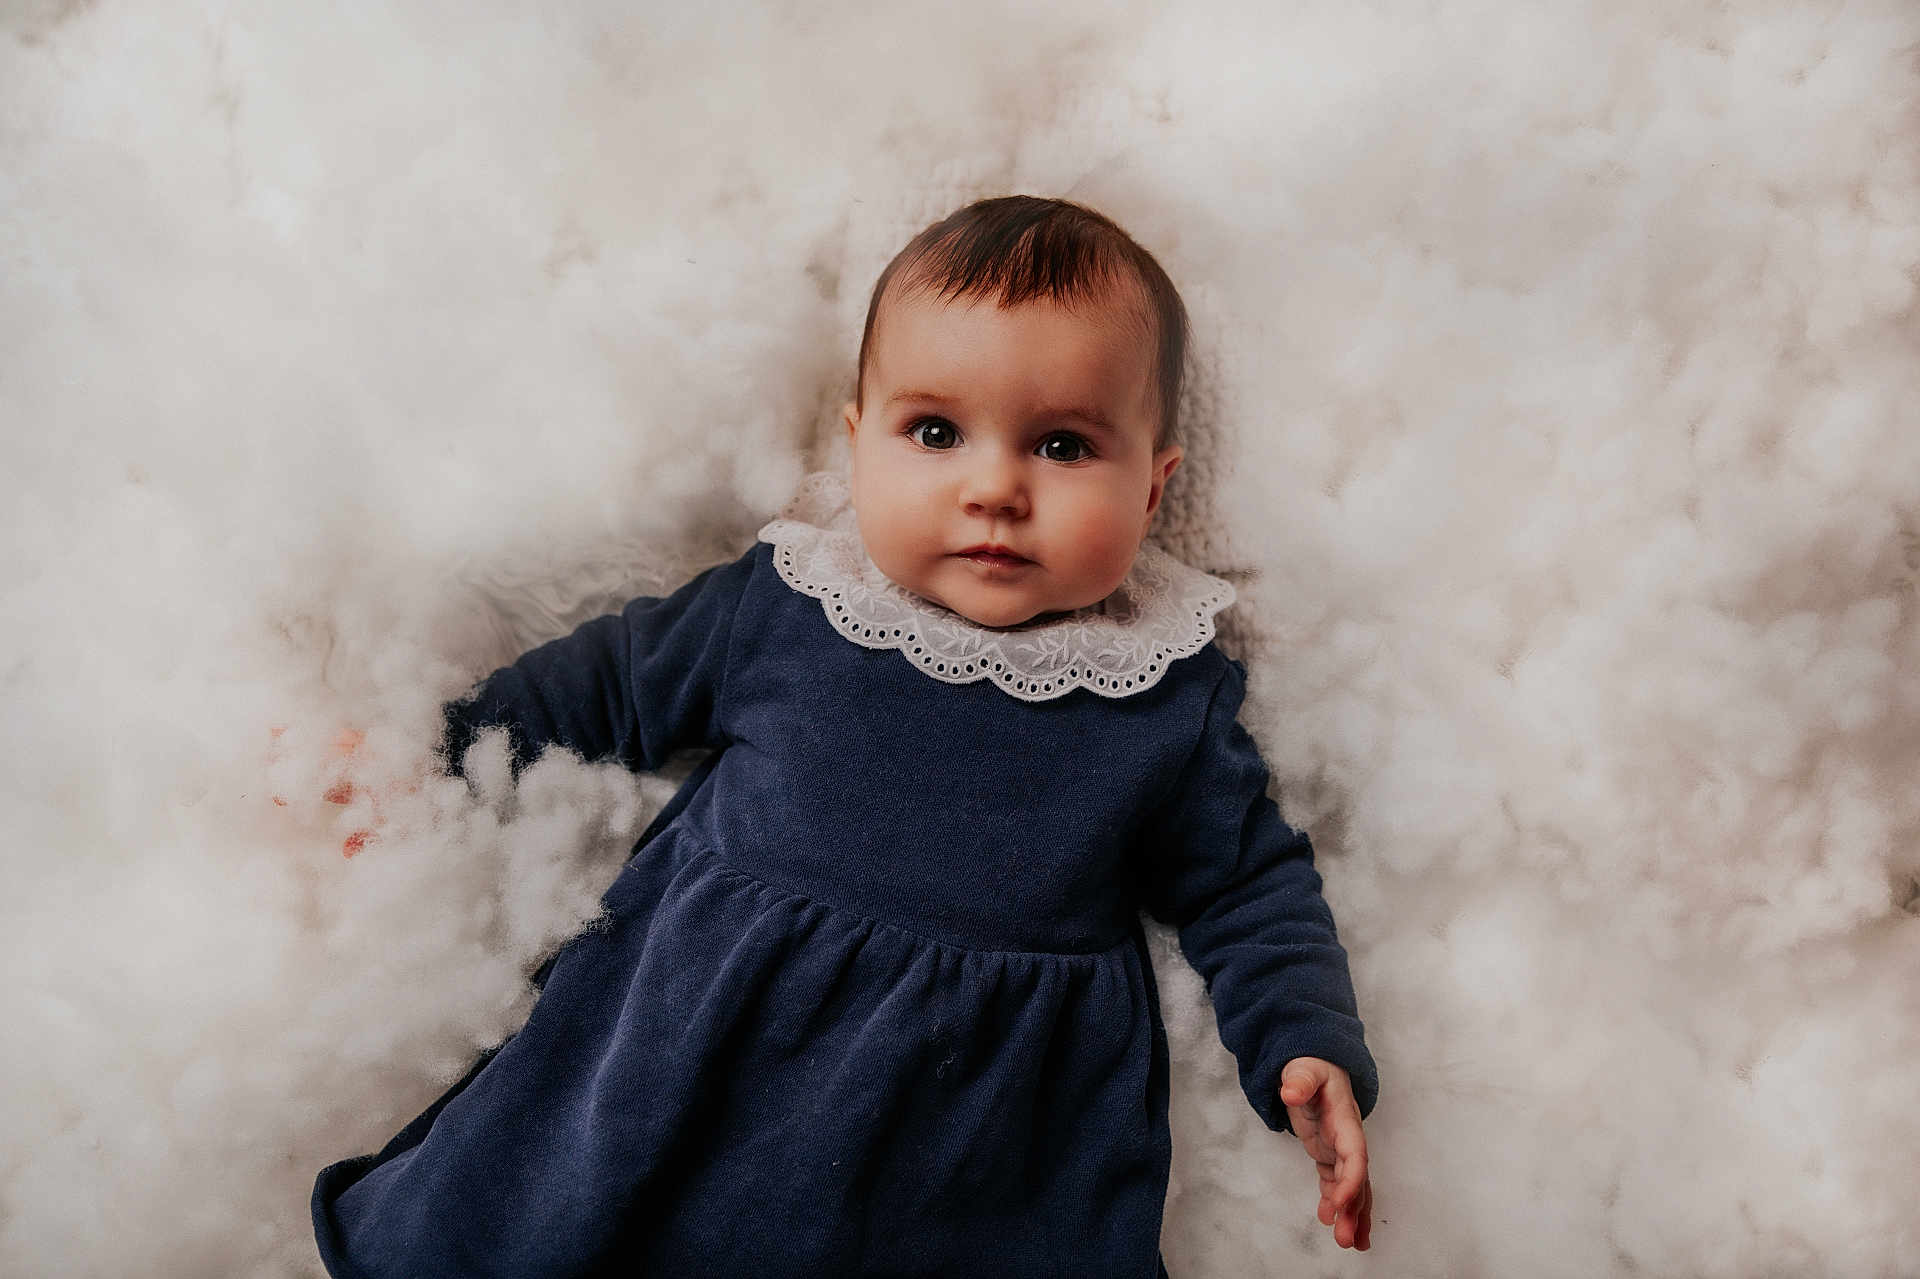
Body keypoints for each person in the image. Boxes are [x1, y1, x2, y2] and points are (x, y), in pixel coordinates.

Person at [310, 195, 1378, 1277]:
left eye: (1063, 444)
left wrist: (1303, 1036)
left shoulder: (1162, 690)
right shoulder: (794, 603)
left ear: (1153, 490)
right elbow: (607, 689)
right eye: (935, 432)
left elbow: (1246, 883)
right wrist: (437, 761)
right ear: (859, 441)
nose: (995, 487)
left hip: (981, 1133)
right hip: (697, 1049)